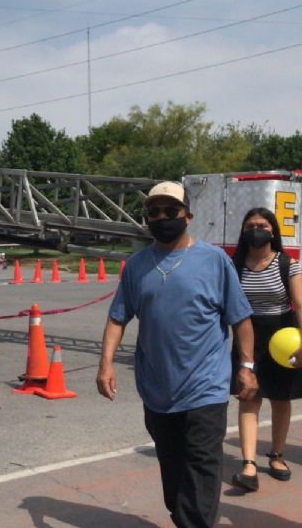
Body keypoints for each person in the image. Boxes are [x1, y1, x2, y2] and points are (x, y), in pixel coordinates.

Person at [96, 181, 257, 528]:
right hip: (157, 390)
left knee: (201, 465)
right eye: (154, 212)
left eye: (170, 211)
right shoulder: (136, 266)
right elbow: (117, 318)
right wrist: (105, 364)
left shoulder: (214, 261)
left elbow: (241, 319)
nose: (161, 217)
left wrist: (246, 366)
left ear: (188, 215)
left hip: (206, 387)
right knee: (173, 470)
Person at [228, 208, 302, 492]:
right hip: (246, 336)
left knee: (281, 399)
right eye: (250, 225)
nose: (256, 230)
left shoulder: (288, 264)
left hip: (282, 337)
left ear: (273, 231)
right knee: (248, 397)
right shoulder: (235, 266)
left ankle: (277, 456)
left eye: (262, 225)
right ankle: (248, 464)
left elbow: (300, 304)